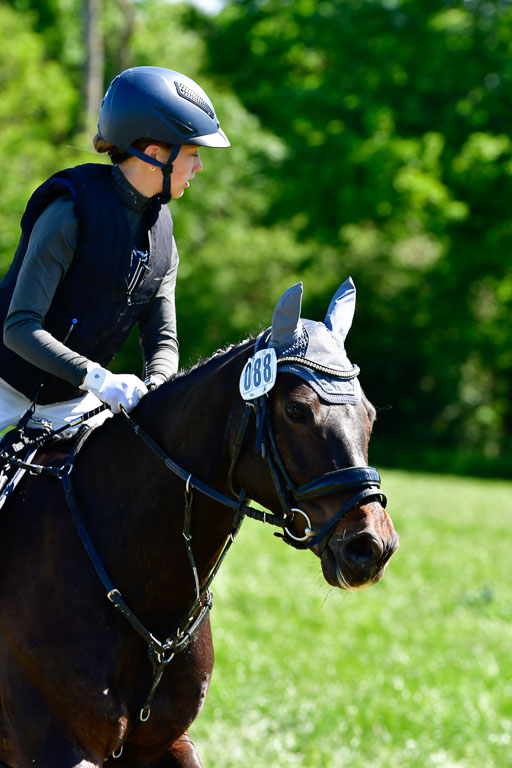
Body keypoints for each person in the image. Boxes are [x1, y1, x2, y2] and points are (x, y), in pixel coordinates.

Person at [0, 66, 230, 440]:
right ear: (155, 153)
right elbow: (20, 328)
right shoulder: (68, 212)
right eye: (192, 153)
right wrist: (99, 379)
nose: (199, 166)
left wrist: (158, 386)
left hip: (71, 403)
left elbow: (161, 339)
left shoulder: (164, 237)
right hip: (4, 384)